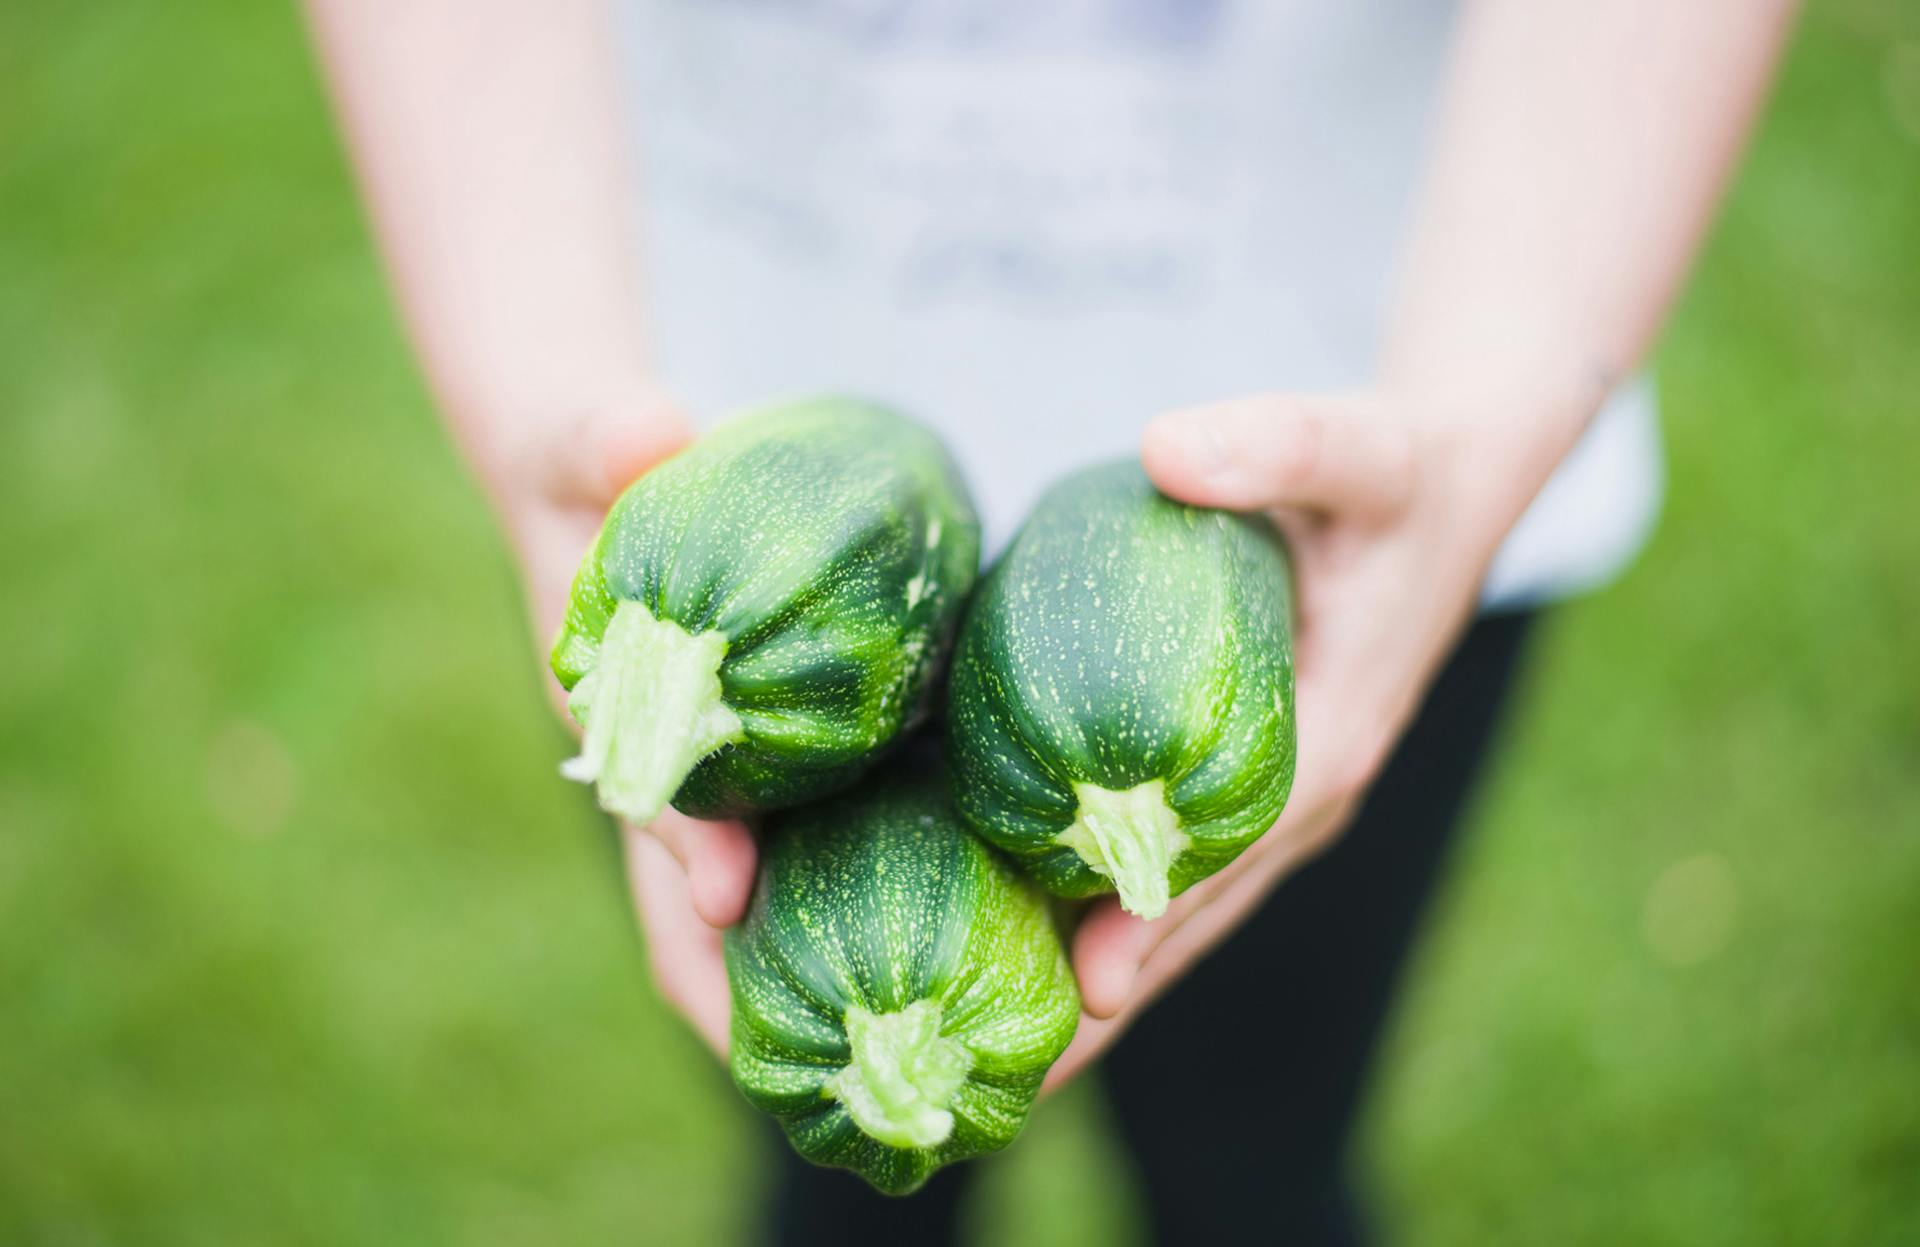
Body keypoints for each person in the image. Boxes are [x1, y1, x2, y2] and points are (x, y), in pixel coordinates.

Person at [305, 2, 1793, 1242]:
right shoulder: (677, 602)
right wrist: (533, 388)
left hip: (1384, 447)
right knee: (842, 1175)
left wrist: (1484, 434)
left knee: (1256, 1158)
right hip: (722, 448)